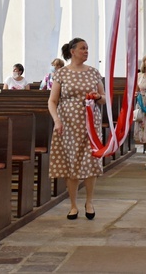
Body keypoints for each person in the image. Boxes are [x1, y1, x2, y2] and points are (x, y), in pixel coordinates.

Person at [47, 38, 105, 220]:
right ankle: (73, 205)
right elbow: (52, 101)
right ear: (72, 51)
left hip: (90, 124)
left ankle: (89, 201)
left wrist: (97, 96)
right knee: (71, 163)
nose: (86, 51)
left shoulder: (94, 73)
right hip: (68, 124)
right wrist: (56, 120)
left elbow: (104, 98)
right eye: (82, 48)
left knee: (90, 161)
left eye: (87, 48)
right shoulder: (62, 74)